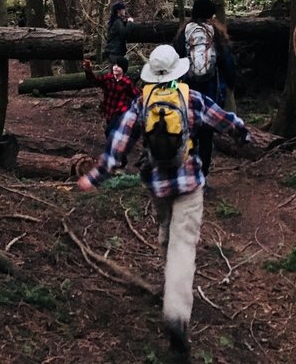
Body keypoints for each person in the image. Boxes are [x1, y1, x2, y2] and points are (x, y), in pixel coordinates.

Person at [77, 45, 250, 358]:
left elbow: (119, 145)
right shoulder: (190, 98)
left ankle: (171, 287)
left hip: (157, 184)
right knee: (183, 245)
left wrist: (96, 175)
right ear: (177, 71)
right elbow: (224, 120)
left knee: (167, 235)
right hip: (189, 182)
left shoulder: (142, 102)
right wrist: (243, 133)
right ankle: (176, 315)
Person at [174, 0, 236, 183]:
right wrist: (231, 83)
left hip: (188, 91)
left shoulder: (185, 32)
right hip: (210, 92)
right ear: (209, 14)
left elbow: (174, 60)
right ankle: (202, 177)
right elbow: (227, 62)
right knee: (206, 135)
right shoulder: (215, 33)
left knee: (188, 132)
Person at [82, 56, 139, 140]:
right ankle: (116, 147)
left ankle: (114, 149)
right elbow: (95, 80)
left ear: (123, 69)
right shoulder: (108, 78)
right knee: (111, 133)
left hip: (120, 112)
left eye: (119, 66)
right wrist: (88, 70)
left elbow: (136, 94)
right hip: (109, 111)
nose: (115, 67)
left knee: (109, 131)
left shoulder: (127, 82)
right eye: (115, 65)